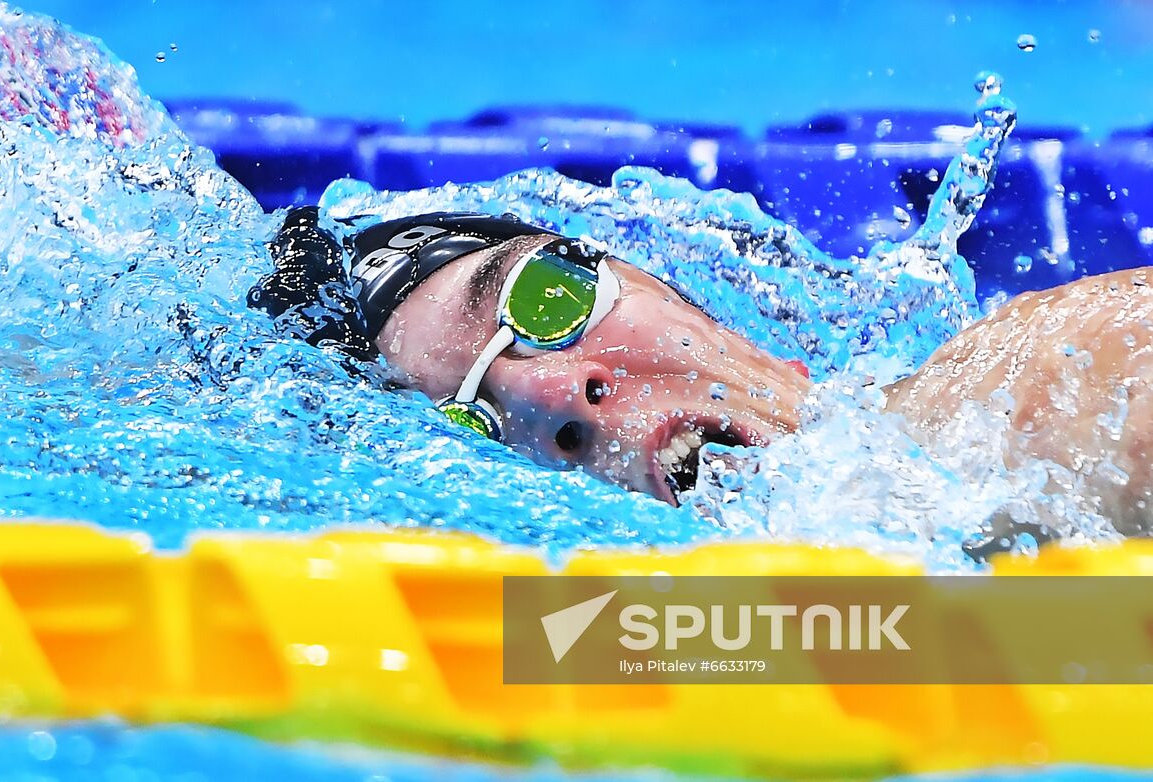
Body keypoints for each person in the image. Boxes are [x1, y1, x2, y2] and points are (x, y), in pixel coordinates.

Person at [250, 207, 1150, 548]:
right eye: (465, 420)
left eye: (546, 298)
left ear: (686, 300)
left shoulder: (1044, 392)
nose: (554, 397)